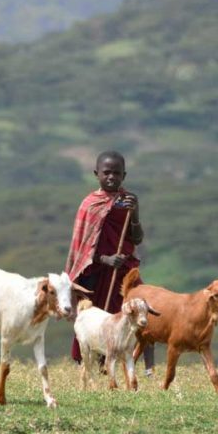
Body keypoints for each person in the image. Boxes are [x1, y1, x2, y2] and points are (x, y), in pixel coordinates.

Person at [65, 150, 155, 375]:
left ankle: (147, 367)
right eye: (107, 173)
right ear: (97, 174)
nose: (111, 177)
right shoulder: (90, 204)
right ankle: (91, 362)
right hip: (96, 271)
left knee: (138, 308)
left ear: (124, 175)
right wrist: (105, 259)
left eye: (116, 173)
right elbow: (82, 249)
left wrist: (134, 214)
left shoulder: (128, 201)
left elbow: (137, 238)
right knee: (95, 314)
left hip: (124, 269)